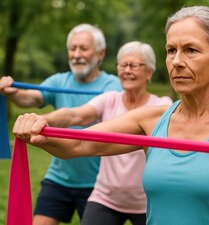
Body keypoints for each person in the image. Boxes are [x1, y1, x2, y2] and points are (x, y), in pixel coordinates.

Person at [13, 6, 209, 225]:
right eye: (171, 51)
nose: (177, 61)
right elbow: (79, 145)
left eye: (191, 50)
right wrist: (41, 130)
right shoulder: (149, 120)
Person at [1, 23, 122, 225]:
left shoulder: (113, 86)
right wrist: (13, 92)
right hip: (58, 179)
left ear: (100, 54)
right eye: (72, 48)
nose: (76, 54)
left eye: (83, 48)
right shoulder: (58, 81)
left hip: (99, 184)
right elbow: (31, 98)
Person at [41, 41, 173, 225]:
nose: (127, 70)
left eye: (134, 65)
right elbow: (74, 116)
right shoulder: (109, 99)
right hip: (106, 199)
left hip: (148, 201)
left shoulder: (161, 105)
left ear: (149, 72)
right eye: (123, 65)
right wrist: (43, 120)